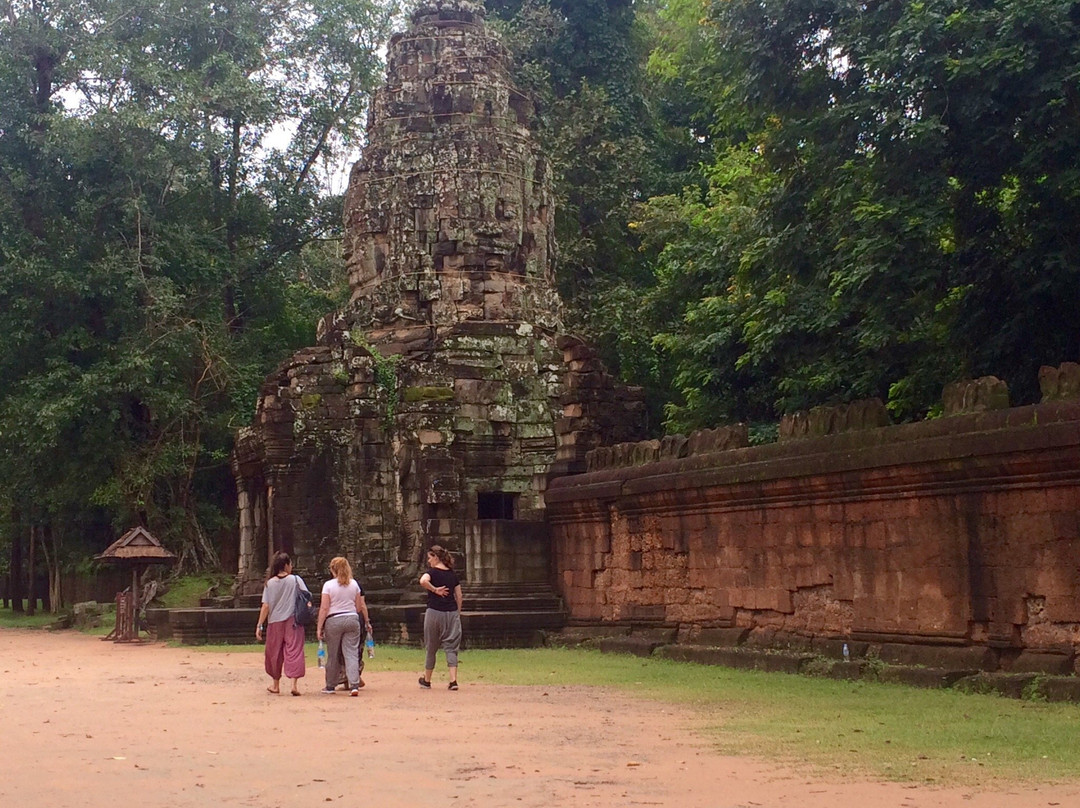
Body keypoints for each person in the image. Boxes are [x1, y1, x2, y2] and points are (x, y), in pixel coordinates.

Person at [255, 552, 309, 696]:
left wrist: (260, 625)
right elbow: (306, 596)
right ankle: (294, 684)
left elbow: (265, 606)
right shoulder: (295, 580)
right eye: (290, 564)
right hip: (293, 620)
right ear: (286, 565)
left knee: (274, 652)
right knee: (294, 650)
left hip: (275, 622)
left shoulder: (270, 583)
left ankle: (276, 684)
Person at [316, 556, 370, 696]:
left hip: (334, 620)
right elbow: (358, 606)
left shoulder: (328, 585)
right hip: (352, 618)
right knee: (351, 652)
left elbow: (324, 608)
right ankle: (354, 684)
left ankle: (330, 685)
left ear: (333, 570)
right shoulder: (354, 584)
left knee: (333, 654)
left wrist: (319, 626)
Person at [418, 545, 463, 690]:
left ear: (436, 557)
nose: (429, 561)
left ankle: (427, 679)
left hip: (434, 613)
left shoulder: (432, 572)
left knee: (431, 647)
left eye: (430, 558)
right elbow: (459, 595)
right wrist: (457, 613)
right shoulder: (452, 574)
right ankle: (453, 680)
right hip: (451, 613)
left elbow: (423, 581)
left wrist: (434, 590)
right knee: (451, 648)